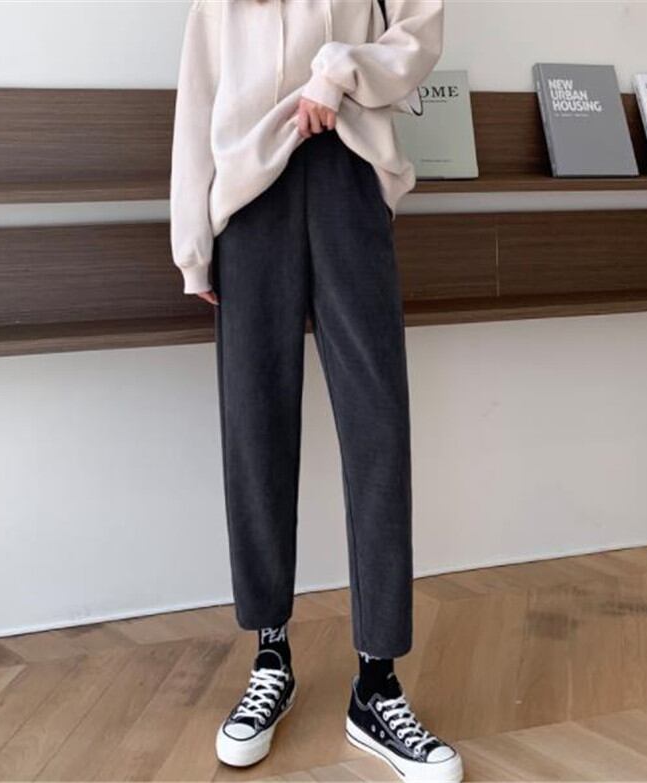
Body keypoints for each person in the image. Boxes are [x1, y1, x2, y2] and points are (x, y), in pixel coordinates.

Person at [169, 1, 462, 780]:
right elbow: (199, 95)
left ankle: (377, 682)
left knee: (378, 427)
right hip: (249, 201)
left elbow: (421, 28)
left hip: (346, 171)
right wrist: (192, 244)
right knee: (254, 428)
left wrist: (338, 72)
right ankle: (270, 656)